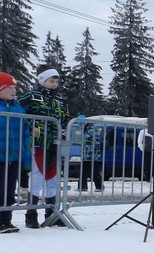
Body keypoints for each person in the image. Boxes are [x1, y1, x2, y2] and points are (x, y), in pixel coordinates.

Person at [18, 64, 70, 228]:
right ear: (42, 80)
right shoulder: (31, 96)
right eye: (51, 80)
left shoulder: (60, 100)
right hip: (37, 144)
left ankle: (51, 213)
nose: (55, 83)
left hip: (55, 144)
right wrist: (28, 128)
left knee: (53, 179)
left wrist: (64, 136)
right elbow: (17, 112)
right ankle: (31, 214)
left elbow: (65, 120)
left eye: (56, 81)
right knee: (37, 178)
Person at [0, 72, 31, 233]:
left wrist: (26, 158)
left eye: (15, 88)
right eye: (9, 87)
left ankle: (6, 220)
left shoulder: (19, 109)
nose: (14, 90)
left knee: (9, 191)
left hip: (12, 157)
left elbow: (25, 134)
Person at [78, 120, 104, 192]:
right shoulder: (87, 130)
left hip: (92, 156)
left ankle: (99, 186)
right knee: (84, 171)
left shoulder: (91, 131)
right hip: (87, 155)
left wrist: (91, 151)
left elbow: (96, 143)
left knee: (94, 172)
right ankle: (82, 187)